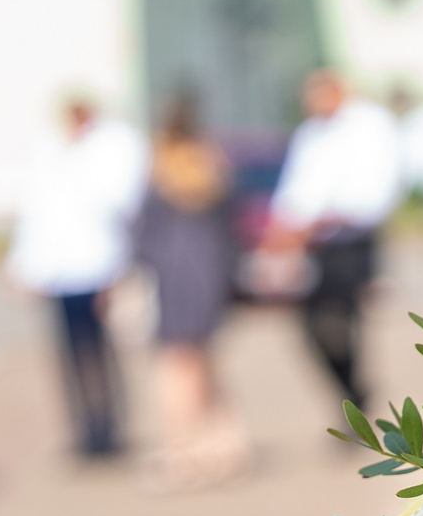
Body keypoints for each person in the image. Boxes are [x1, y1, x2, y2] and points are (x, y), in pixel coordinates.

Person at [7, 95, 148, 461]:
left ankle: (110, 427)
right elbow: (37, 213)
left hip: (98, 269)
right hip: (59, 272)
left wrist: (118, 270)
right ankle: (85, 431)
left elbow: (121, 209)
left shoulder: (113, 147)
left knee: (101, 353)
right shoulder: (49, 151)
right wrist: (25, 265)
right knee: (68, 355)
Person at [265, 69, 402, 413]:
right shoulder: (309, 133)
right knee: (312, 329)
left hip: (351, 244)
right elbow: (295, 192)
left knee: (341, 325)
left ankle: (355, 404)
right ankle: (352, 396)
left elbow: (377, 195)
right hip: (314, 247)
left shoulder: (371, 125)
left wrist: (324, 217)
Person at [134, 91, 249, 490]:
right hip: (210, 273)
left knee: (176, 366)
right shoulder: (211, 164)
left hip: (174, 276)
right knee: (205, 362)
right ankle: (225, 443)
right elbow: (232, 224)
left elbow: (144, 232)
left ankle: (183, 449)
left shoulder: (160, 167)